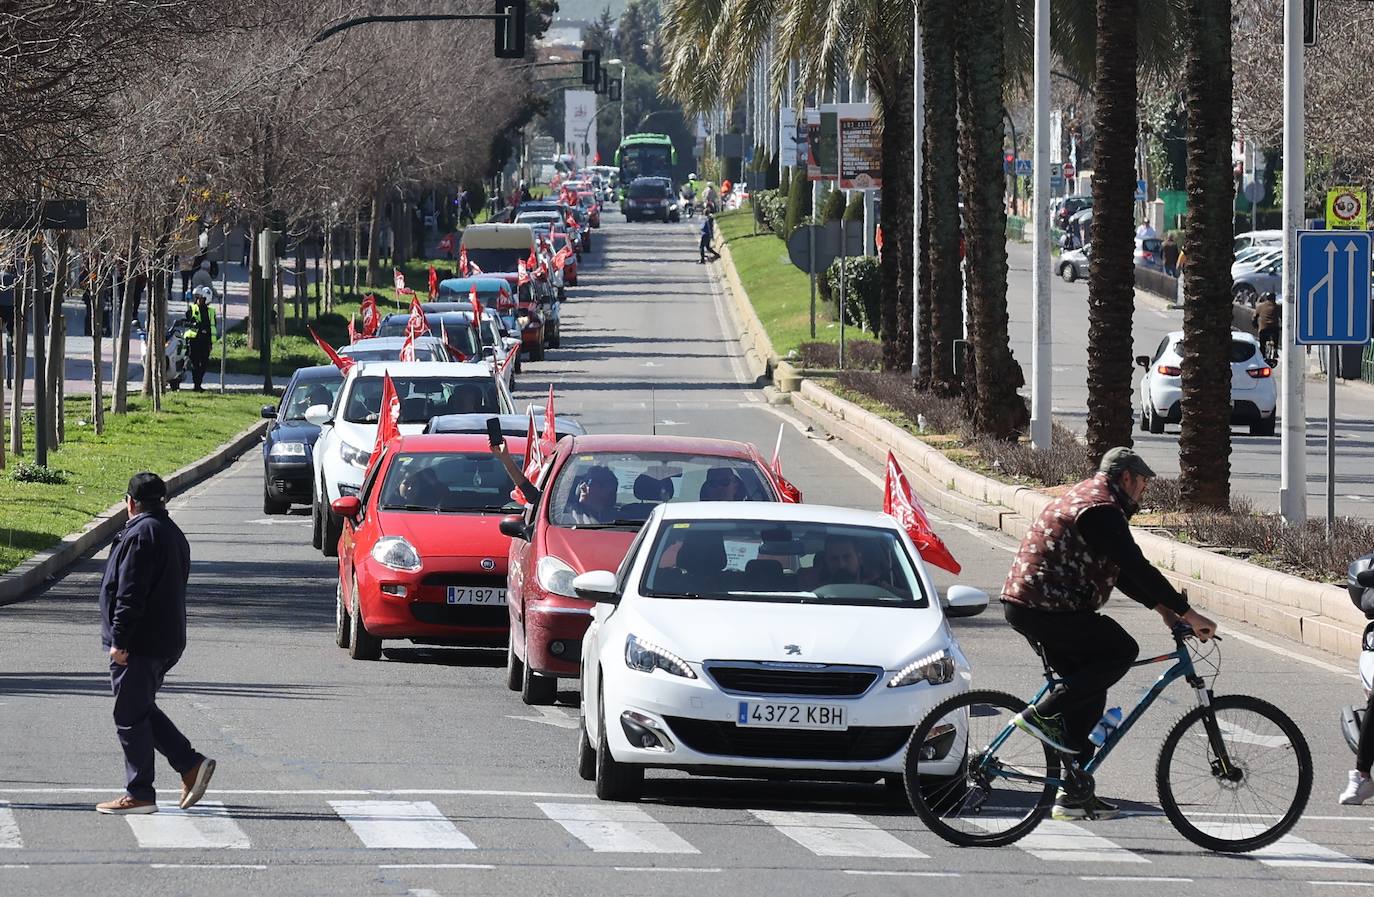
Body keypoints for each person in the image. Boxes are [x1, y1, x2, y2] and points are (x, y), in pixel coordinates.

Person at [1001, 447, 1216, 821]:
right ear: (1126, 478)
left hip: (1040, 605)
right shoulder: (1100, 509)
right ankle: (1041, 715)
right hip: (1044, 606)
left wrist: (1165, 611)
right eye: (1143, 483)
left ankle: (1073, 791)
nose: (1144, 491)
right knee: (1120, 649)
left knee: (1090, 688)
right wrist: (1189, 613)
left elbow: (1124, 573)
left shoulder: (1092, 499)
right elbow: (1137, 566)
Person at [97, 473, 215, 815]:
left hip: (140, 643)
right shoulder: (171, 532)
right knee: (140, 709)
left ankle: (140, 793)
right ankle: (190, 765)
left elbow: (130, 593)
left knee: (129, 716)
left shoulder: (141, 535)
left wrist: (120, 639)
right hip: (164, 639)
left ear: (131, 502)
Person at [184, 287, 217, 391]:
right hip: (194, 340)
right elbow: (187, 318)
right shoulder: (192, 308)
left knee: (204, 364)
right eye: (198, 298)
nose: (199, 300)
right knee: (195, 363)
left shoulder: (211, 311)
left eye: (201, 298)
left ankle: (198, 383)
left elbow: (213, 326)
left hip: (205, 341)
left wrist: (211, 343)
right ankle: (196, 385)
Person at [1253, 292, 1281, 358]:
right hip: (1274, 328)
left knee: (1262, 344)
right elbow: (1283, 317)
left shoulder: (1260, 306)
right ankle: (1275, 351)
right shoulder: (1277, 307)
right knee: (1276, 336)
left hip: (1263, 328)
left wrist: (1255, 325)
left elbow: (1254, 317)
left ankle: (1262, 355)